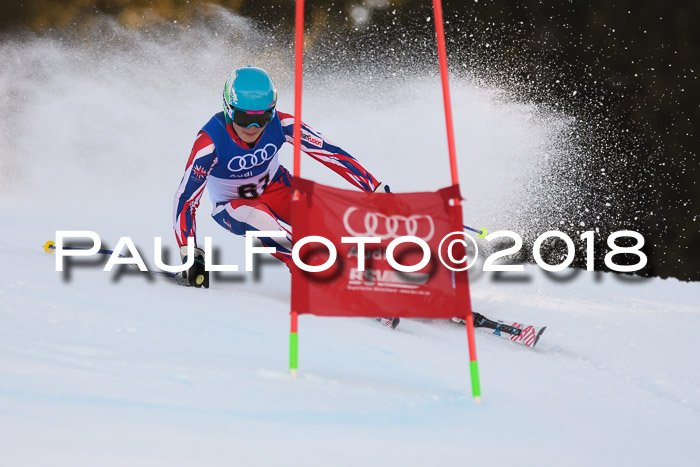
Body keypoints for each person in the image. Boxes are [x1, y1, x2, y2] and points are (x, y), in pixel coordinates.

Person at [173, 66, 389, 288]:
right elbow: (186, 199)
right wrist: (190, 252)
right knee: (269, 226)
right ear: (228, 108)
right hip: (232, 206)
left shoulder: (281, 124)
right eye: (243, 118)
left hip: (277, 189)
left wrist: (373, 187)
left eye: (263, 117)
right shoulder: (210, 144)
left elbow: (329, 152)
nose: (253, 128)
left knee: (330, 220)